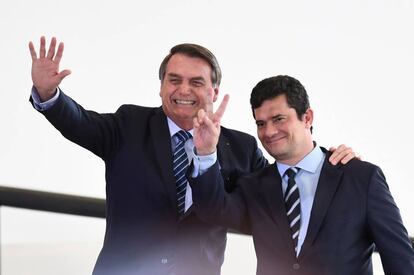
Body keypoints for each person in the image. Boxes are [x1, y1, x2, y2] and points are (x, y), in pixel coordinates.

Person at [28, 37, 355, 275]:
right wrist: (49, 95)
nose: (184, 90)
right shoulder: (128, 125)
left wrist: (325, 163)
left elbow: (282, 193)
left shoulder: (241, 148)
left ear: (213, 92)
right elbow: (79, 123)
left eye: (196, 82)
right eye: (175, 80)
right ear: (161, 87)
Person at [190, 75, 414, 275]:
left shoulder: (361, 178)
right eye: (261, 123)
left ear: (307, 118)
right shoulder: (255, 185)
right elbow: (213, 210)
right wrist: (206, 151)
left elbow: (400, 260)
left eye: (279, 119)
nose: (268, 132)